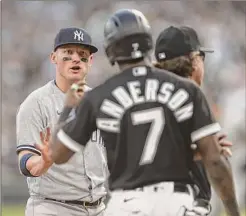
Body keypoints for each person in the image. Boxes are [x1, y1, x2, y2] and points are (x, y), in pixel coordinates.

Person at [51, 9, 240, 216]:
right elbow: (214, 160)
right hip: (176, 202)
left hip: (125, 204)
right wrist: (233, 212)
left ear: (110, 49)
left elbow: (58, 155)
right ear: (148, 42)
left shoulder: (98, 97)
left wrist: (68, 107)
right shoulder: (187, 89)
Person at [16, 27, 108, 216]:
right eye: (68, 52)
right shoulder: (36, 103)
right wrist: (43, 162)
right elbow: (25, 161)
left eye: (82, 54)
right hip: (53, 207)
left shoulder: (101, 102)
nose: (75, 58)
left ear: (90, 61)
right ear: (53, 58)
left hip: (99, 208)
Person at [154, 26, 234, 215]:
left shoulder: (145, 97)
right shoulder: (191, 95)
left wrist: (198, 150)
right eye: (202, 57)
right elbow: (216, 163)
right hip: (185, 204)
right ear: (194, 60)